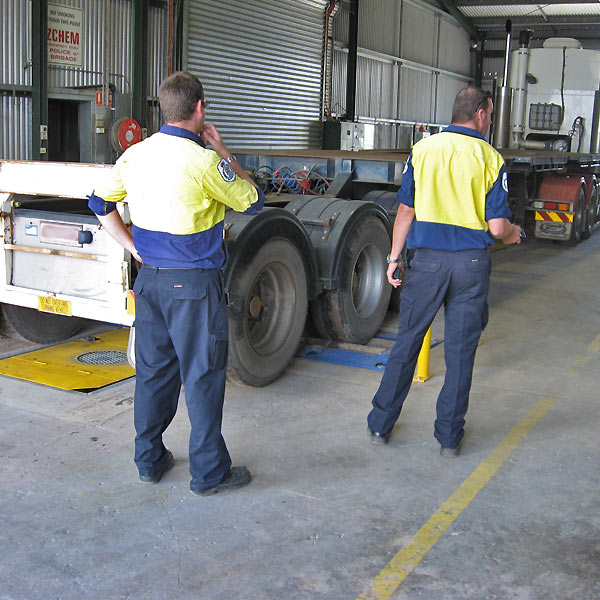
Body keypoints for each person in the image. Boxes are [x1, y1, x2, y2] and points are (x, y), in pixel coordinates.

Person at [88, 71, 264, 494]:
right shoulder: (205, 161)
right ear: (200, 109)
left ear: (162, 109)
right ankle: (208, 473)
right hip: (194, 287)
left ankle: (149, 459)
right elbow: (253, 199)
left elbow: (98, 202)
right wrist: (223, 151)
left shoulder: (134, 155)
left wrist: (132, 245)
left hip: (150, 283)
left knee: (153, 373)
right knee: (201, 375)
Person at [367, 87, 522, 457]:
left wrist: (393, 258)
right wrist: (517, 234)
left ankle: (380, 424)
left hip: (428, 263)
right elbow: (498, 227)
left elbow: (405, 211)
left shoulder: (422, 150)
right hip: (470, 264)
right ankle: (449, 438)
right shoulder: (490, 157)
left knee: (407, 342)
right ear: (482, 115)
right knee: (460, 352)